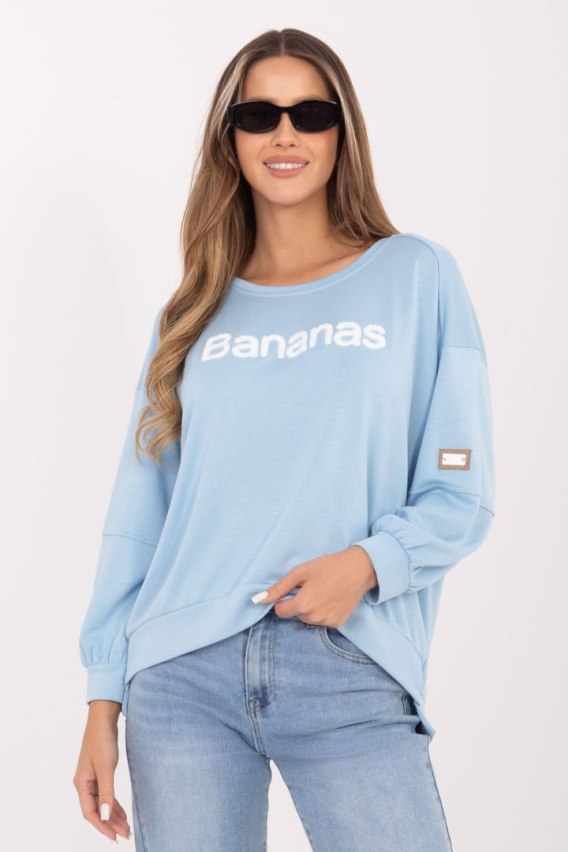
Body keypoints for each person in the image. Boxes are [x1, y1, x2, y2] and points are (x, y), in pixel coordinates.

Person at [73, 27, 495, 851]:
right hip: (180, 679)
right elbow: (138, 516)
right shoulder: (190, 313)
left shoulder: (415, 275)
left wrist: (367, 565)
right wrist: (102, 696)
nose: (285, 134)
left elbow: (461, 491)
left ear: (343, 132)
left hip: (346, 657)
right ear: (230, 139)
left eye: (311, 113)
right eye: (259, 115)